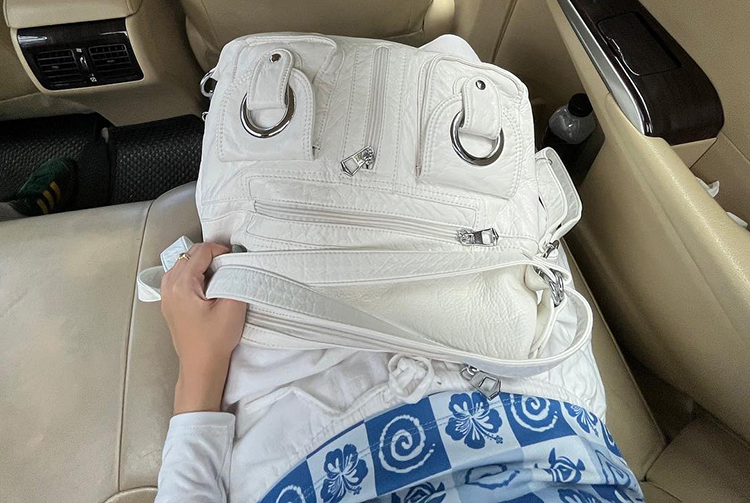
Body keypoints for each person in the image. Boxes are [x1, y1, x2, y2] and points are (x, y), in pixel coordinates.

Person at [154, 37, 645, 503]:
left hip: (311, 391)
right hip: (530, 380)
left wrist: (199, 365)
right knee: (455, 73)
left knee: (450, 76)